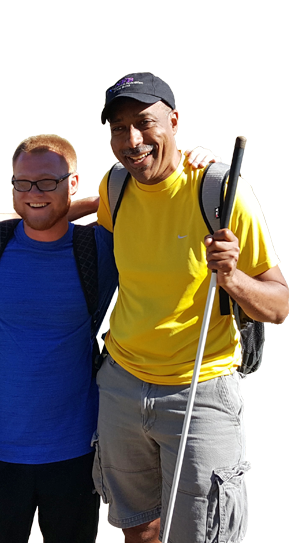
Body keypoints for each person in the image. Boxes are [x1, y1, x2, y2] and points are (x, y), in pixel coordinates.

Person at [0, 135, 218, 543]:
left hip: (78, 447)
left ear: (74, 182)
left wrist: (195, 172)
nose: (33, 193)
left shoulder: (101, 248)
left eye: (48, 182)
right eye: (22, 183)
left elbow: (156, 216)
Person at [72, 73, 289, 543]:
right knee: (133, 528)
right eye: (118, 128)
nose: (131, 140)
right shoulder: (116, 185)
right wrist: (28, 213)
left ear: (173, 121)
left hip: (201, 389)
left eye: (144, 123)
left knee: (202, 534)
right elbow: (81, 211)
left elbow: (283, 313)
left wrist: (233, 279)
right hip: (121, 386)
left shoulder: (222, 193)